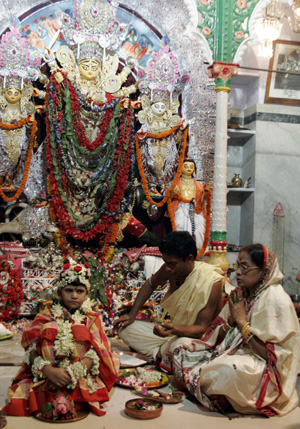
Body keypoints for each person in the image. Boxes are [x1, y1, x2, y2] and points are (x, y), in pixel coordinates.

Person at [163, 244, 300, 417]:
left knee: (230, 368)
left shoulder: (275, 299)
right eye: (238, 266)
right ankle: (210, 384)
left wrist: (242, 322)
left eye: (245, 267)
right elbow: (217, 335)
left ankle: (210, 384)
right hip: (234, 351)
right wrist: (230, 322)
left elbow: (271, 356)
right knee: (179, 344)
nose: (238, 272)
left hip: (263, 368)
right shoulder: (241, 293)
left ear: (263, 270)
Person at [2, 259, 120, 418]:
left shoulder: (92, 317)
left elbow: (99, 351)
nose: (74, 296)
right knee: (50, 328)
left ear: (87, 294)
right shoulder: (46, 314)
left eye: (79, 291)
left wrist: (75, 372)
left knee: (80, 333)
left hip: (80, 375)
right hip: (47, 374)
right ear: (59, 292)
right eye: (69, 290)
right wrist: (47, 370)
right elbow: (31, 350)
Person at [113, 231, 224, 361]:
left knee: (179, 345)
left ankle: (162, 353)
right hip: (173, 332)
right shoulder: (169, 269)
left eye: (171, 263)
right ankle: (162, 353)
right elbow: (150, 284)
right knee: (126, 329)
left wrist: (173, 330)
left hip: (198, 338)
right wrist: (132, 315)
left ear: (189, 259)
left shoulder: (211, 281)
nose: (167, 268)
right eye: (165, 262)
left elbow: (201, 328)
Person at [168, 158, 207, 251]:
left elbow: (202, 199)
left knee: (199, 229)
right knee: (180, 225)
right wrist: (173, 193)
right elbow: (167, 196)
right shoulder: (176, 183)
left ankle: (197, 249)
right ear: (180, 169)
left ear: (194, 170)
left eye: (191, 167)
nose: (189, 168)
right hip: (181, 207)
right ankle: (181, 249)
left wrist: (205, 194)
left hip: (194, 208)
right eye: (186, 166)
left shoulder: (198, 185)